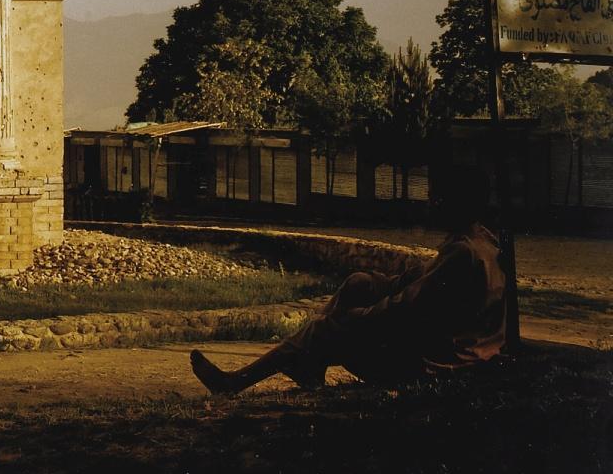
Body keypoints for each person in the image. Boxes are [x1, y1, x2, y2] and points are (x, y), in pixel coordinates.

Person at [189, 165, 507, 395]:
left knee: (329, 328)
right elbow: (416, 281)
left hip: (437, 366)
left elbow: (406, 307)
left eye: (439, 200)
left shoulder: (463, 253)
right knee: (358, 283)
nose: (431, 205)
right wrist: (371, 283)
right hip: (453, 354)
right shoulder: (478, 242)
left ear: (458, 203)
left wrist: (354, 319)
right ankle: (308, 362)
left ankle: (236, 382)